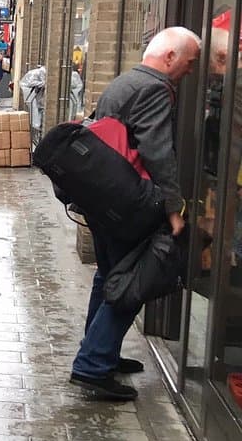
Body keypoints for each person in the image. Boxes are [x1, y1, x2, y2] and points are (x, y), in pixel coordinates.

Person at [70, 26, 202, 401]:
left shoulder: (126, 81)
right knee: (131, 283)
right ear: (171, 57)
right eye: (190, 63)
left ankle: (99, 352)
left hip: (105, 200)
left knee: (110, 276)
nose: (190, 72)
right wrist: (175, 208)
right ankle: (93, 364)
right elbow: (158, 152)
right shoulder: (155, 89)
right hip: (128, 205)